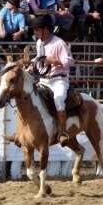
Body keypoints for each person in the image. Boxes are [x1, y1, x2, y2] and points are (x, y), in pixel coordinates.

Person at [32, 15, 73, 146]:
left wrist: (55, 61)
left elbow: (69, 62)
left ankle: (62, 133)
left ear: (46, 29)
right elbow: (39, 59)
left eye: (37, 30)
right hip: (44, 79)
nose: (35, 33)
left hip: (58, 80)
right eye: (35, 30)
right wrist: (29, 66)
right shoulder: (39, 43)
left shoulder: (59, 43)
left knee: (59, 99)